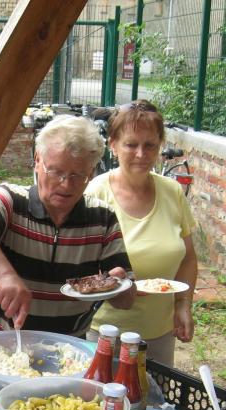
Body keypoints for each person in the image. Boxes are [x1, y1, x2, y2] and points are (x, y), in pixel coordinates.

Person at [0, 115, 134, 337]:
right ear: (37, 160)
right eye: (56, 171)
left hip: (70, 346)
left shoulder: (103, 218)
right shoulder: (9, 200)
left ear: (90, 173)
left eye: (78, 175)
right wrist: (6, 275)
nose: (66, 184)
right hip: (3, 340)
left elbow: (126, 301)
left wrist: (119, 284)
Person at [84, 100, 198, 366]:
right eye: (131, 144)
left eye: (150, 145)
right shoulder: (95, 193)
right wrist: (118, 286)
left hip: (160, 333)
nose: (141, 154)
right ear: (113, 145)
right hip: (106, 334)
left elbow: (188, 258)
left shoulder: (172, 192)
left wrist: (183, 304)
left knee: (154, 393)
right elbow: (80, 264)